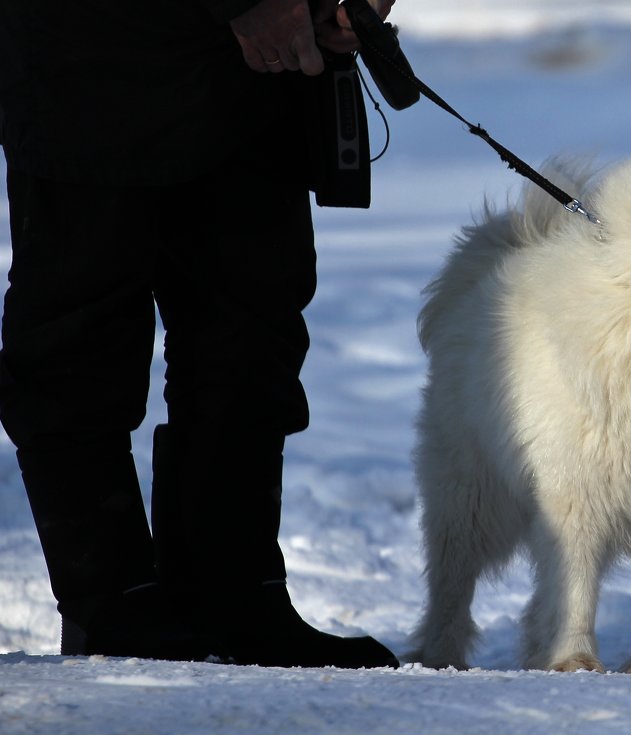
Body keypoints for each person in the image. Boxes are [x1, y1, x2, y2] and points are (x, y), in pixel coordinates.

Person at [0, 0, 398, 667]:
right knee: (77, 345)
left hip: (253, 79)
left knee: (250, 328)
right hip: (89, 59)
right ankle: (111, 607)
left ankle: (236, 597)